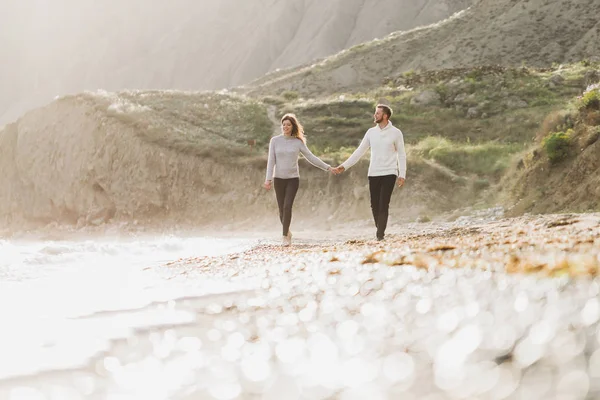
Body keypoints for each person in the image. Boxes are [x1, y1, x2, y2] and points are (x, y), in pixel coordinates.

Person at [332, 104, 406, 241]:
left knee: (384, 203)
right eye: (375, 113)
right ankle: (380, 229)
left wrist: (402, 174)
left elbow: (401, 154)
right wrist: (344, 166)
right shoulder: (371, 133)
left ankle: (380, 235)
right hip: (374, 173)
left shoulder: (396, 133)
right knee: (374, 204)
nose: (375, 115)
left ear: (385, 116)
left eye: (377, 113)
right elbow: (359, 152)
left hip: (390, 172)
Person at [264, 113, 333, 246]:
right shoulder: (275, 141)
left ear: (293, 126)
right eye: (283, 125)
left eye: (288, 125)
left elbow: (311, 157)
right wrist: (268, 179)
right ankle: (287, 231)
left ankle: (284, 236)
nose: (285, 127)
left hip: (292, 179)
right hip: (278, 178)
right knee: (281, 210)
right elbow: (271, 161)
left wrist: (328, 167)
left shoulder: (298, 142)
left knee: (287, 206)